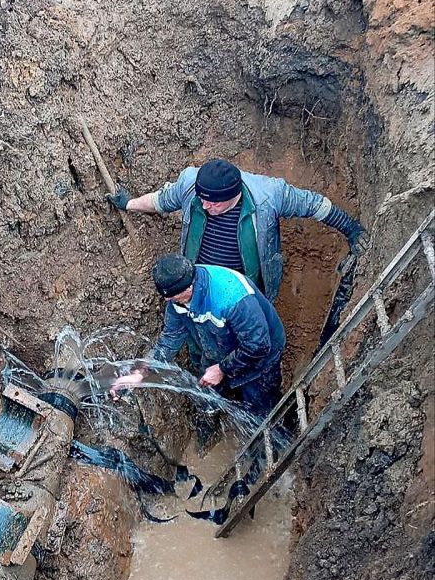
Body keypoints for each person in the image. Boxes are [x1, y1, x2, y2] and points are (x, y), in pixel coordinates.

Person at [108, 159, 368, 303]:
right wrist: (129, 204)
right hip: (199, 285)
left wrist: (351, 229)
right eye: (202, 199)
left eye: (214, 202)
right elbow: (161, 201)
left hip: (246, 290)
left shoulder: (269, 196)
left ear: (235, 196)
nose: (205, 206)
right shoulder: (190, 184)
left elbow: (313, 205)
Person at [111, 253, 286, 420]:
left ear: (189, 287)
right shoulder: (177, 300)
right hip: (217, 349)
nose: (168, 301)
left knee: (259, 406)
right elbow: (170, 339)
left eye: (173, 297)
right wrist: (141, 372)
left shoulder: (231, 298)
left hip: (261, 356)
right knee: (206, 399)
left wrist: (222, 369)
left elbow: (259, 345)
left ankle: (269, 439)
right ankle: (209, 431)